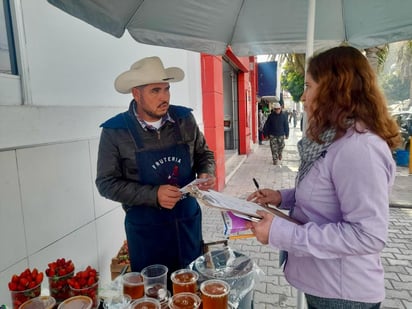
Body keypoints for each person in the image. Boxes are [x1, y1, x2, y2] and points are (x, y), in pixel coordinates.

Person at [246, 46, 401, 309]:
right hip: (323, 284)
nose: (303, 96)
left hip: (343, 294)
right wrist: (281, 196)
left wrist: (280, 232)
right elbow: (326, 192)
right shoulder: (335, 139)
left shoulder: (359, 149)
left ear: (334, 89)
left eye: (308, 86)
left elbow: (368, 235)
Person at [95, 56, 216, 289]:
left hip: (187, 225)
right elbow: (106, 183)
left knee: (188, 290)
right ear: (136, 94)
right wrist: (153, 195)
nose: (165, 97)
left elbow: (204, 154)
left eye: (167, 89)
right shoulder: (115, 132)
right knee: (154, 295)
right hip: (147, 234)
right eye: (155, 90)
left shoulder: (184, 119)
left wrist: (205, 173)